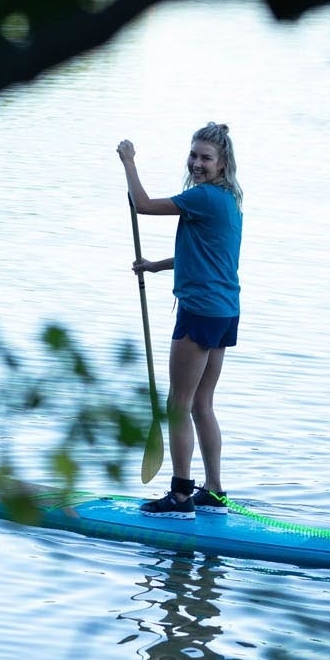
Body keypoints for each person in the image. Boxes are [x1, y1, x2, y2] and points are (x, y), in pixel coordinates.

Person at [116, 123, 243, 517]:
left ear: (222, 164)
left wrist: (128, 161)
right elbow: (205, 255)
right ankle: (215, 492)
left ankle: (181, 496)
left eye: (206, 157)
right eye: (194, 155)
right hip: (224, 311)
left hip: (200, 309)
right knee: (202, 403)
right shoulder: (228, 200)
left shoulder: (202, 197)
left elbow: (143, 204)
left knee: (179, 404)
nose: (197, 163)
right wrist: (156, 267)